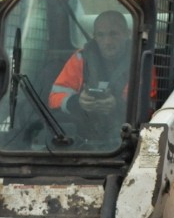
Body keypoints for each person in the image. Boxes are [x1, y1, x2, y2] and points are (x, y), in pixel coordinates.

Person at [49, 9, 131, 138]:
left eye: (113, 34)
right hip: (83, 137)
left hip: (126, 136)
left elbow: (147, 107)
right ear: (94, 36)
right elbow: (54, 97)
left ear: (127, 34)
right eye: (101, 35)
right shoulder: (80, 58)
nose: (107, 41)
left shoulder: (141, 60)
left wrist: (116, 105)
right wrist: (78, 102)